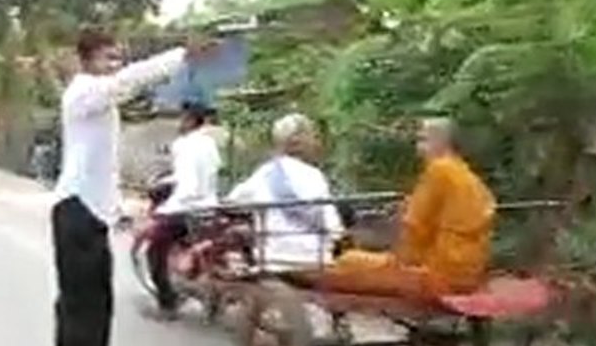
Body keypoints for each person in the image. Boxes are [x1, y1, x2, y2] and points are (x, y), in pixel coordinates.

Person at [52, 29, 210, 346]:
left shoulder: (104, 101)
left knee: (100, 300)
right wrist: (178, 55)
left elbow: (104, 163)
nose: (115, 66)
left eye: (117, 58)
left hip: (96, 211)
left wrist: (117, 207)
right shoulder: (84, 93)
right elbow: (129, 81)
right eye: (108, 58)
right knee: (77, 304)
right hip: (74, 209)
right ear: (86, 60)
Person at [326, 118, 496, 300]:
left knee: (348, 261)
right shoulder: (465, 173)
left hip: (437, 275)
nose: (417, 147)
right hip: (469, 273)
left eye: (423, 140)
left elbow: (415, 228)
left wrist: (397, 261)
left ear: (440, 142)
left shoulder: (440, 171)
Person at [227, 113, 344, 270]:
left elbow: (232, 202)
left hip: (274, 261)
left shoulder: (264, 174)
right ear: (297, 142)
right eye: (313, 137)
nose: (316, 143)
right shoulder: (315, 176)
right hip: (315, 260)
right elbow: (334, 228)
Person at [145, 102, 221, 317]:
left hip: (188, 209)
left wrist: (166, 209)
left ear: (188, 120)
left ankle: (167, 304)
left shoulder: (184, 145)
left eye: (183, 118)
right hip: (210, 207)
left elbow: (188, 186)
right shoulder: (209, 144)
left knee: (155, 249)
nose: (180, 122)